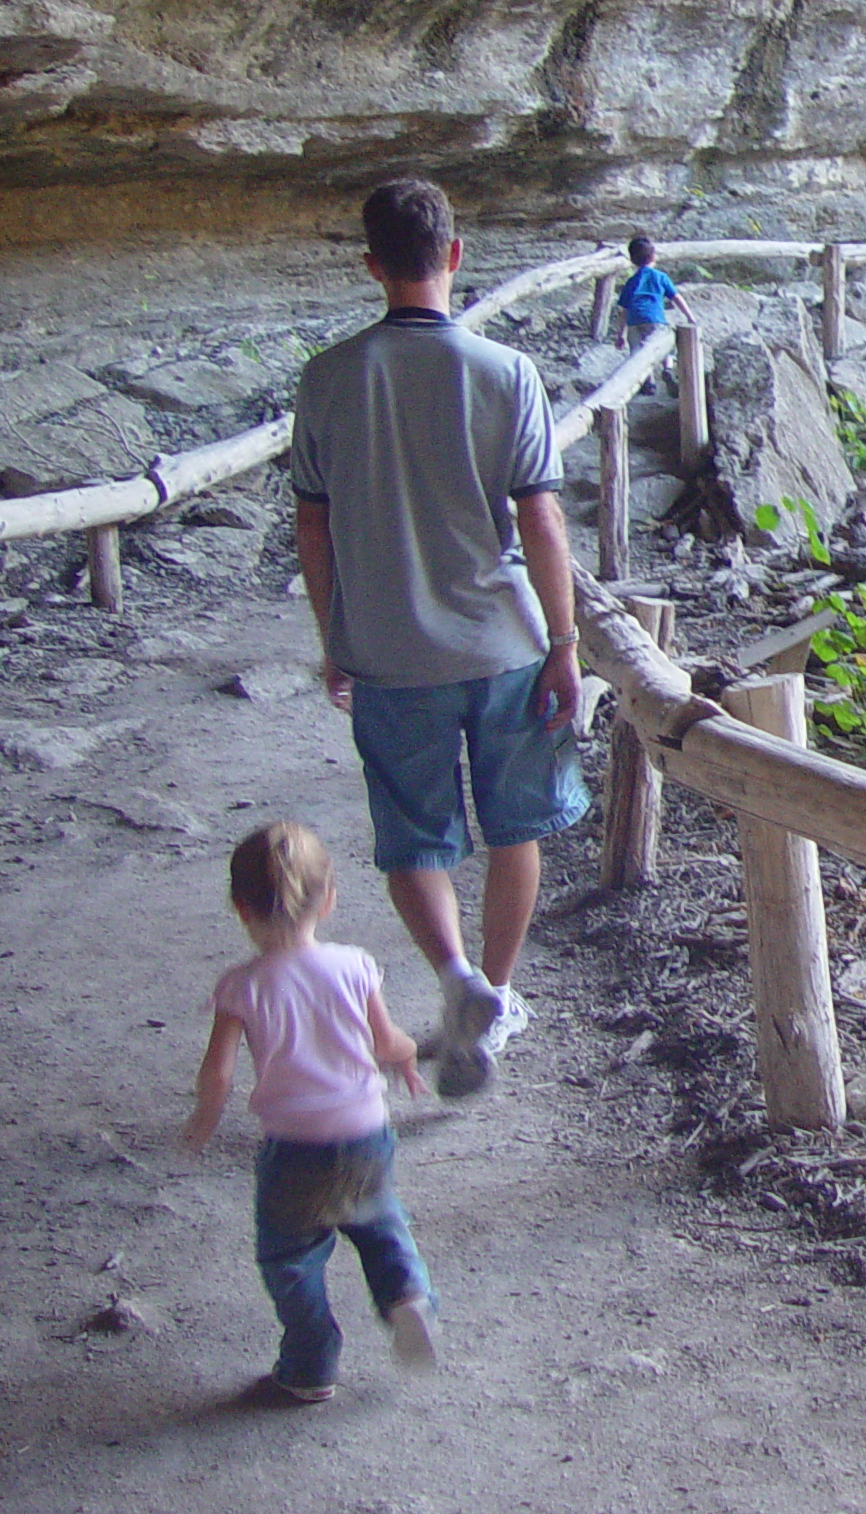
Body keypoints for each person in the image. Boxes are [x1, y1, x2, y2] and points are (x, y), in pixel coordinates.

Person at [292, 177, 587, 1097]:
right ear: (455, 256)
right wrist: (565, 642)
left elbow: (314, 525)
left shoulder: (328, 378)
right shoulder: (507, 375)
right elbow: (540, 522)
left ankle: (457, 981)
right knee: (515, 827)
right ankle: (495, 993)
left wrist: (332, 634)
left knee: (415, 837)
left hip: (387, 648)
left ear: (372, 265)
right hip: (501, 644)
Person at [183, 821, 440, 1403]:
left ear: (238, 906)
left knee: (289, 1257)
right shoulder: (354, 965)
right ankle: (405, 1296)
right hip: (364, 1134)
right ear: (328, 899)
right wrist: (401, 1061)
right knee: (379, 1225)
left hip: (293, 1148)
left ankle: (310, 1361)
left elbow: (218, 1071)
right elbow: (389, 1040)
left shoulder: (240, 987)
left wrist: (204, 1117)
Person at [614, 234, 683, 347]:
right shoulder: (660, 277)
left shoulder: (630, 282)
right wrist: (690, 317)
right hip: (654, 319)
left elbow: (624, 310)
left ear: (632, 259)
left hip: (634, 322)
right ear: (653, 257)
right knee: (665, 346)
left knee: (637, 355)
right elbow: (676, 297)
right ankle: (668, 364)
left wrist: (621, 335)